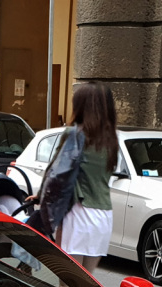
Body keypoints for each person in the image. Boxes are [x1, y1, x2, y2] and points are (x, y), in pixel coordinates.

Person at [46, 82, 118, 270]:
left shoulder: (74, 134)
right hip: (103, 217)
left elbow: (56, 172)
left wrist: (40, 197)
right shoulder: (111, 139)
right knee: (87, 284)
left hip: (78, 213)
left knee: (68, 284)